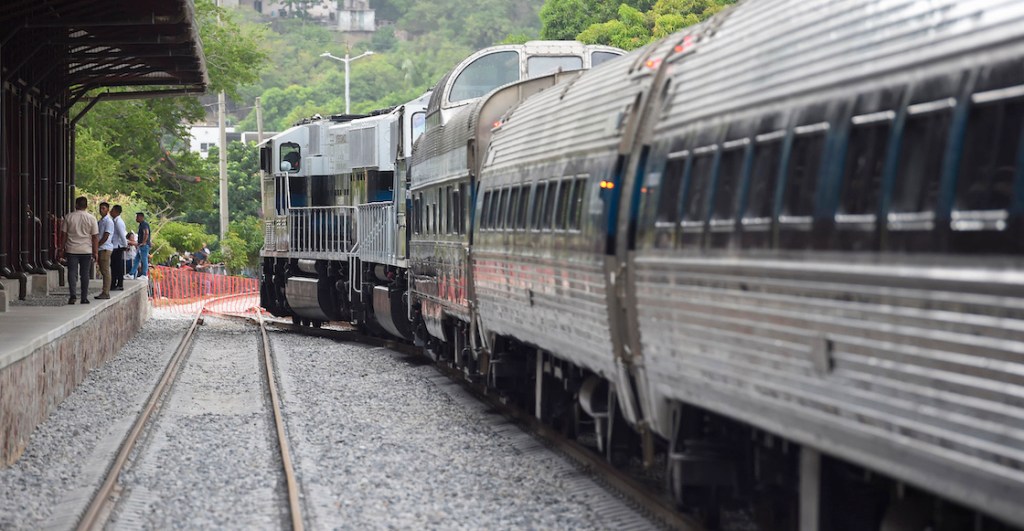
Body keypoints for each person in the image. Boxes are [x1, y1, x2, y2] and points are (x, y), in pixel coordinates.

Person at [60, 196, 98, 305]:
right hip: (86, 250)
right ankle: (84, 297)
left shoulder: (69, 217)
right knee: (85, 274)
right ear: (86, 206)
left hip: (72, 249)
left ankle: (73, 295)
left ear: (76, 205)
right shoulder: (91, 218)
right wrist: (95, 252)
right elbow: (95, 236)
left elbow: (64, 235)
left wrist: (61, 249)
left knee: (72, 272)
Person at [95, 202, 114, 300]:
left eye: (103, 208)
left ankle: (106, 292)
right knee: (103, 270)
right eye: (100, 208)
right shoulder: (101, 221)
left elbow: (106, 235)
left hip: (105, 248)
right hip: (101, 248)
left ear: (107, 210)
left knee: (105, 271)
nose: (101, 210)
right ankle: (104, 291)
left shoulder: (108, 221)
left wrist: (97, 245)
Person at [110, 205, 127, 291]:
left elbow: (122, 235)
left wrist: (125, 245)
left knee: (117, 266)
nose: (110, 211)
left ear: (116, 211)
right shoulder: (114, 221)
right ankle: (114, 283)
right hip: (114, 245)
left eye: (112, 210)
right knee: (114, 266)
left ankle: (119, 283)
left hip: (117, 246)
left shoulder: (118, 222)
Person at [131, 212, 151, 279]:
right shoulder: (141, 225)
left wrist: (144, 242)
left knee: (144, 259)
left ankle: (144, 274)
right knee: (136, 259)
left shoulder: (144, 224)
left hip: (144, 245)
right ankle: (132, 273)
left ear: (141, 217)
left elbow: (146, 233)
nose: (136, 218)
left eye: (137, 217)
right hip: (141, 245)